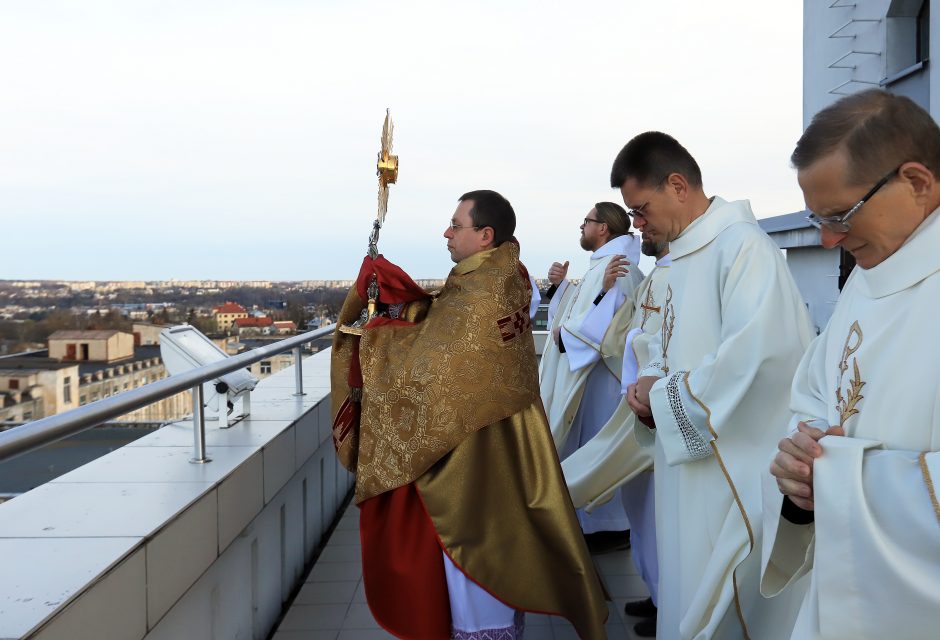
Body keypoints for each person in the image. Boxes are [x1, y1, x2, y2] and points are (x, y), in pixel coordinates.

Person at [331, 189, 608, 640]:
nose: (447, 232)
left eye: (456, 225)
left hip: (474, 455)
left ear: (484, 235)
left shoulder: (482, 292)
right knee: (499, 545)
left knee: (476, 558)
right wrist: (402, 300)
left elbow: (431, 367)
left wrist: (376, 332)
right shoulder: (506, 274)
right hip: (497, 434)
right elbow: (442, 325)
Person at [617, 132, 815, 638]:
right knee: (683, 580)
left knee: (719, 600)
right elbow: (660, 344)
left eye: (640, 209)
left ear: (677, 185)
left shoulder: (743, 249)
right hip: (682, 460)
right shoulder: (675, 260)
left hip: (728, 466)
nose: (638, 224)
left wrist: (660, 398)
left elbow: (756, 358)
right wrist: (647, 389)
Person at [762, 89, 940, 639]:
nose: (828, 238)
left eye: (841, 215)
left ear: (916, 182)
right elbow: (816, 395)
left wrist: (839, 477)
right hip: (845, 590)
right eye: (819, 217)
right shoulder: (871, 273)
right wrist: (802, 457)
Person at [561, 230, 670, 637]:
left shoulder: (625, 271)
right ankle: (657, 592)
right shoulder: (649, 272)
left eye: (642, 213)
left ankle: (665, 599)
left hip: (642, 400)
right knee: (641, 506)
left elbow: (616, 335)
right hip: (634, 396)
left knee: (652, 511)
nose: (639, 227)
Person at [539, 202, 644, 548]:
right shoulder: (606, 264)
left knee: (598, 446)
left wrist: (566, 336)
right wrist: (562, 289)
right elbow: (589, 307)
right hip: (593, 374)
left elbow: (612, 324)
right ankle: (592, 524)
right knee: (587, 445)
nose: (581, 227)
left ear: (603, 228)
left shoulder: (620, 267)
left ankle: (609, 528)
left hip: (606, 377)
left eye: (586, 221)